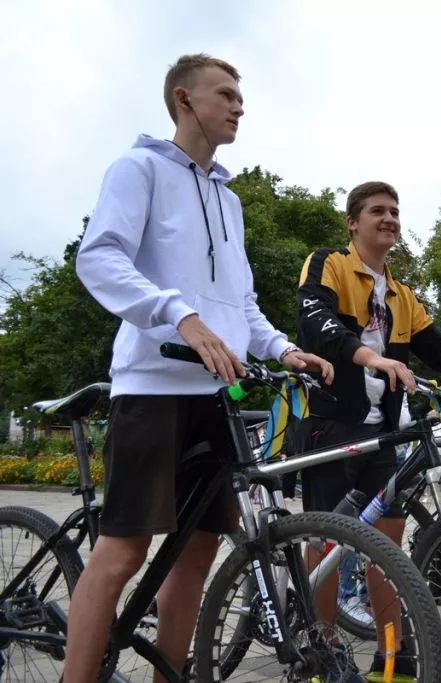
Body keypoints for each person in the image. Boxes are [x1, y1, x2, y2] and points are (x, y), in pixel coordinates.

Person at [68, 54, 335, 683]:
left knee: (198, 549)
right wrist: (178, 315)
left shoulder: (229, 199)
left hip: (218, 393)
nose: (240, 106)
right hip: (154, 385)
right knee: (124, 549)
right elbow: (99, 257)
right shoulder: (139, 168)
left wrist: (280, 348)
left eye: (240, 96)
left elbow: (240, 302)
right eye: (226, 94)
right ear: (184, 99)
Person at [296, 183, 441, 680]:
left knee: (385, 547)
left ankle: (392, 652)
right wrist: (370, 356)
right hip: (332, 425)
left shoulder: (401, 293)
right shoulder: (328, 263)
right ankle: (320, 647)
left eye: (394, 211)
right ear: (353, 222)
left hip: (384, 432)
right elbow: (317, 323)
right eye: (377, 211)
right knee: (325, 541)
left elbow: (437, 346)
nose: (389, 218)